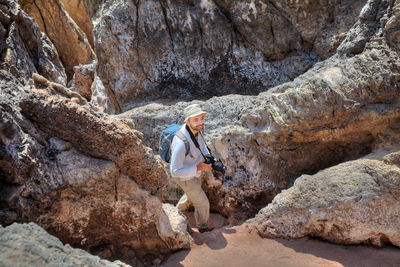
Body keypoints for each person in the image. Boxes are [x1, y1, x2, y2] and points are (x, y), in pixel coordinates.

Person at [170, 104, 213, 233]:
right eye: (196, 119)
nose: (200, 122)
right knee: (203, 203)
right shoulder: (181, 143)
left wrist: (208, 156)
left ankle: (176, 213)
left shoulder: (196, 131)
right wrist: (198, 167)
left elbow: (202, 146)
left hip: (193, 171)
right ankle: (203, 227)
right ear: (187, 121)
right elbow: (174, 171)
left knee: (190, 196)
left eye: (201, 118)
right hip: (184, 176)